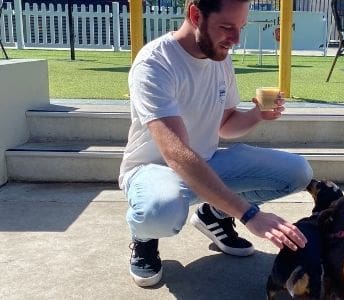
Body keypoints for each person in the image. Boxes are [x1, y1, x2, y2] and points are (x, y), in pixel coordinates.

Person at [119, 0, 313, 287]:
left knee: (299, 171)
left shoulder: (219, 55)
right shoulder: (154, 63)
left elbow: (224, 125)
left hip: (206, 162)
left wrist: (256, 115)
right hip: (154, 170)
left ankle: (213, 213)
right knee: (160, 209)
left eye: (240, 28)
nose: (235, 39)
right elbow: (175, 154)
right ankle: (144, 237)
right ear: (195, 14)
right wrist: (248, 213)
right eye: (226, 27)